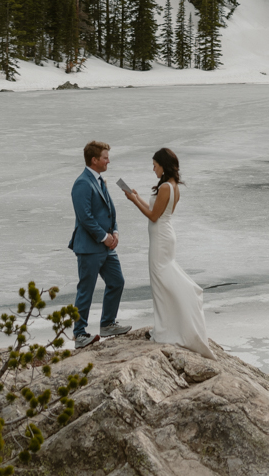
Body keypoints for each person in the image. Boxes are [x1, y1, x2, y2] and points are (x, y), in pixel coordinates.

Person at [123, 147, 214, 357]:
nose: (152, 168)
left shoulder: (165, 187)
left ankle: (166, 329)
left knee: (160, 281)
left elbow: (154, 216)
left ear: (162, 164)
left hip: (161, 239)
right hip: (164, 235)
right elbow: (159, 212)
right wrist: (138, 197)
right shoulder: (172, 186)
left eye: (154, 164)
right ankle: (166, 325)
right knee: (163, 279)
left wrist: (133, 200)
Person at [69, 140, 128, 346]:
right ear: (94, 160)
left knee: (117, 281)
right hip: (89, 247)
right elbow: (84, 217)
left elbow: (110, 211)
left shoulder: (100, 180)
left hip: (106, 246)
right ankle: (79, 333)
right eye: (105, 158)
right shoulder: (82, 183)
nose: (108, 161)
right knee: (86, 289)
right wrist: (105, 237)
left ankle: (107, 323)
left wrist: (116, 232)